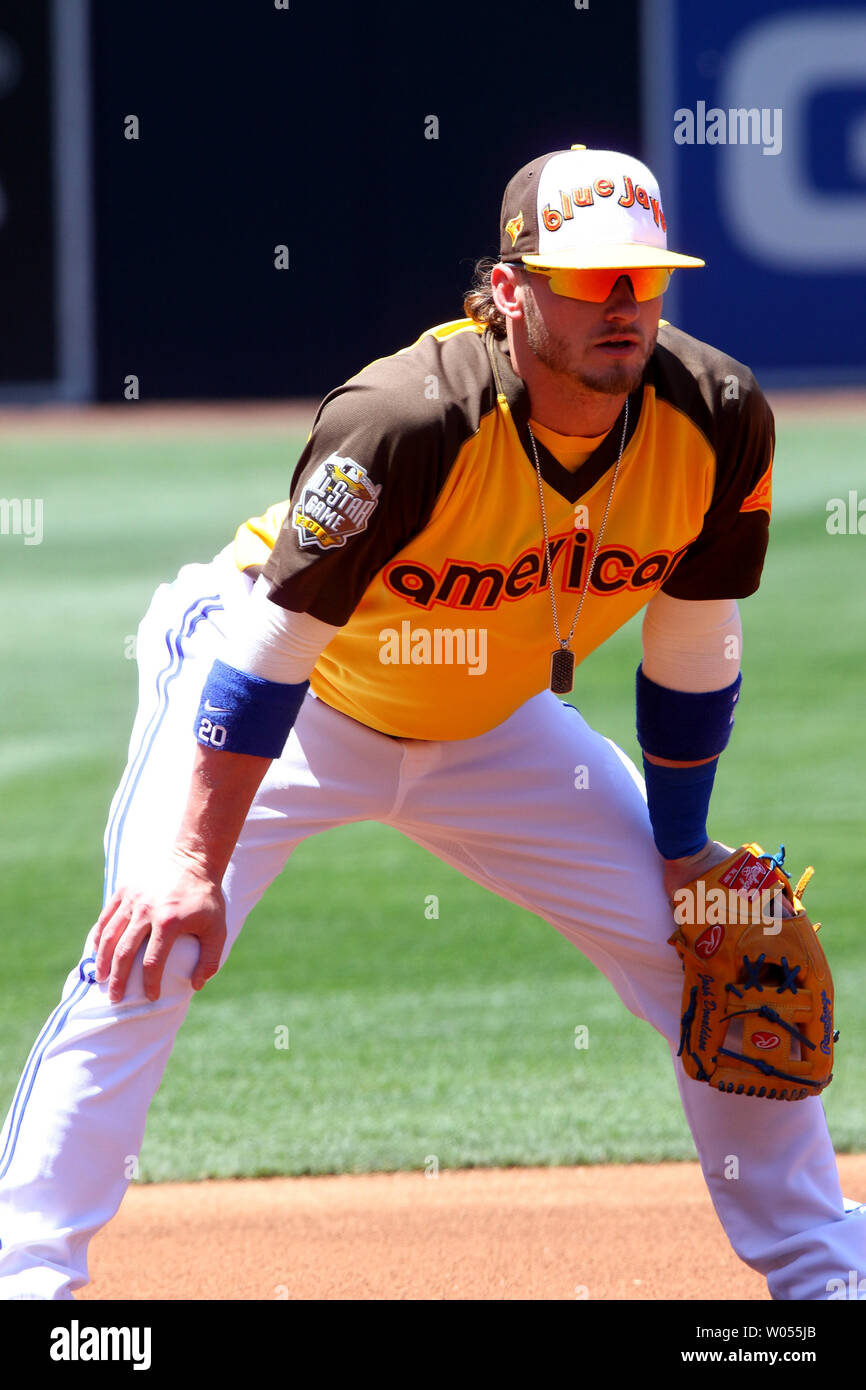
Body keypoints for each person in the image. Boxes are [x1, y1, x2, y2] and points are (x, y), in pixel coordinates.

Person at [0, 145, 862, 1301]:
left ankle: (825, 1278)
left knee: (709, 951)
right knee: (147, 952)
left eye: (641, 277)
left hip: (494, 727)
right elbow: (270, 652)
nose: (621, 303)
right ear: (509, 290)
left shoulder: (712, 414)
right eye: (587, 277)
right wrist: (191, 863)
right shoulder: (404, 420)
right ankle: (27, 1284)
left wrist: (682, 854)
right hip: (295, 698)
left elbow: (693, 648)